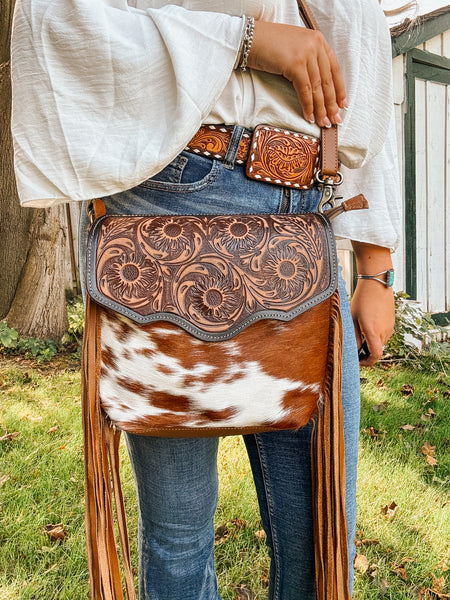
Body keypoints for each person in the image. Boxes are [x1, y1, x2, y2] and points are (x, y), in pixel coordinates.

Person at [11, 0, 401, 598]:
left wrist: (376, 269)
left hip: (302, 217)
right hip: (170, 202)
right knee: (178, 537)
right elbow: (52, 18)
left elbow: (364, 57)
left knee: (324, 537)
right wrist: (245, 42)